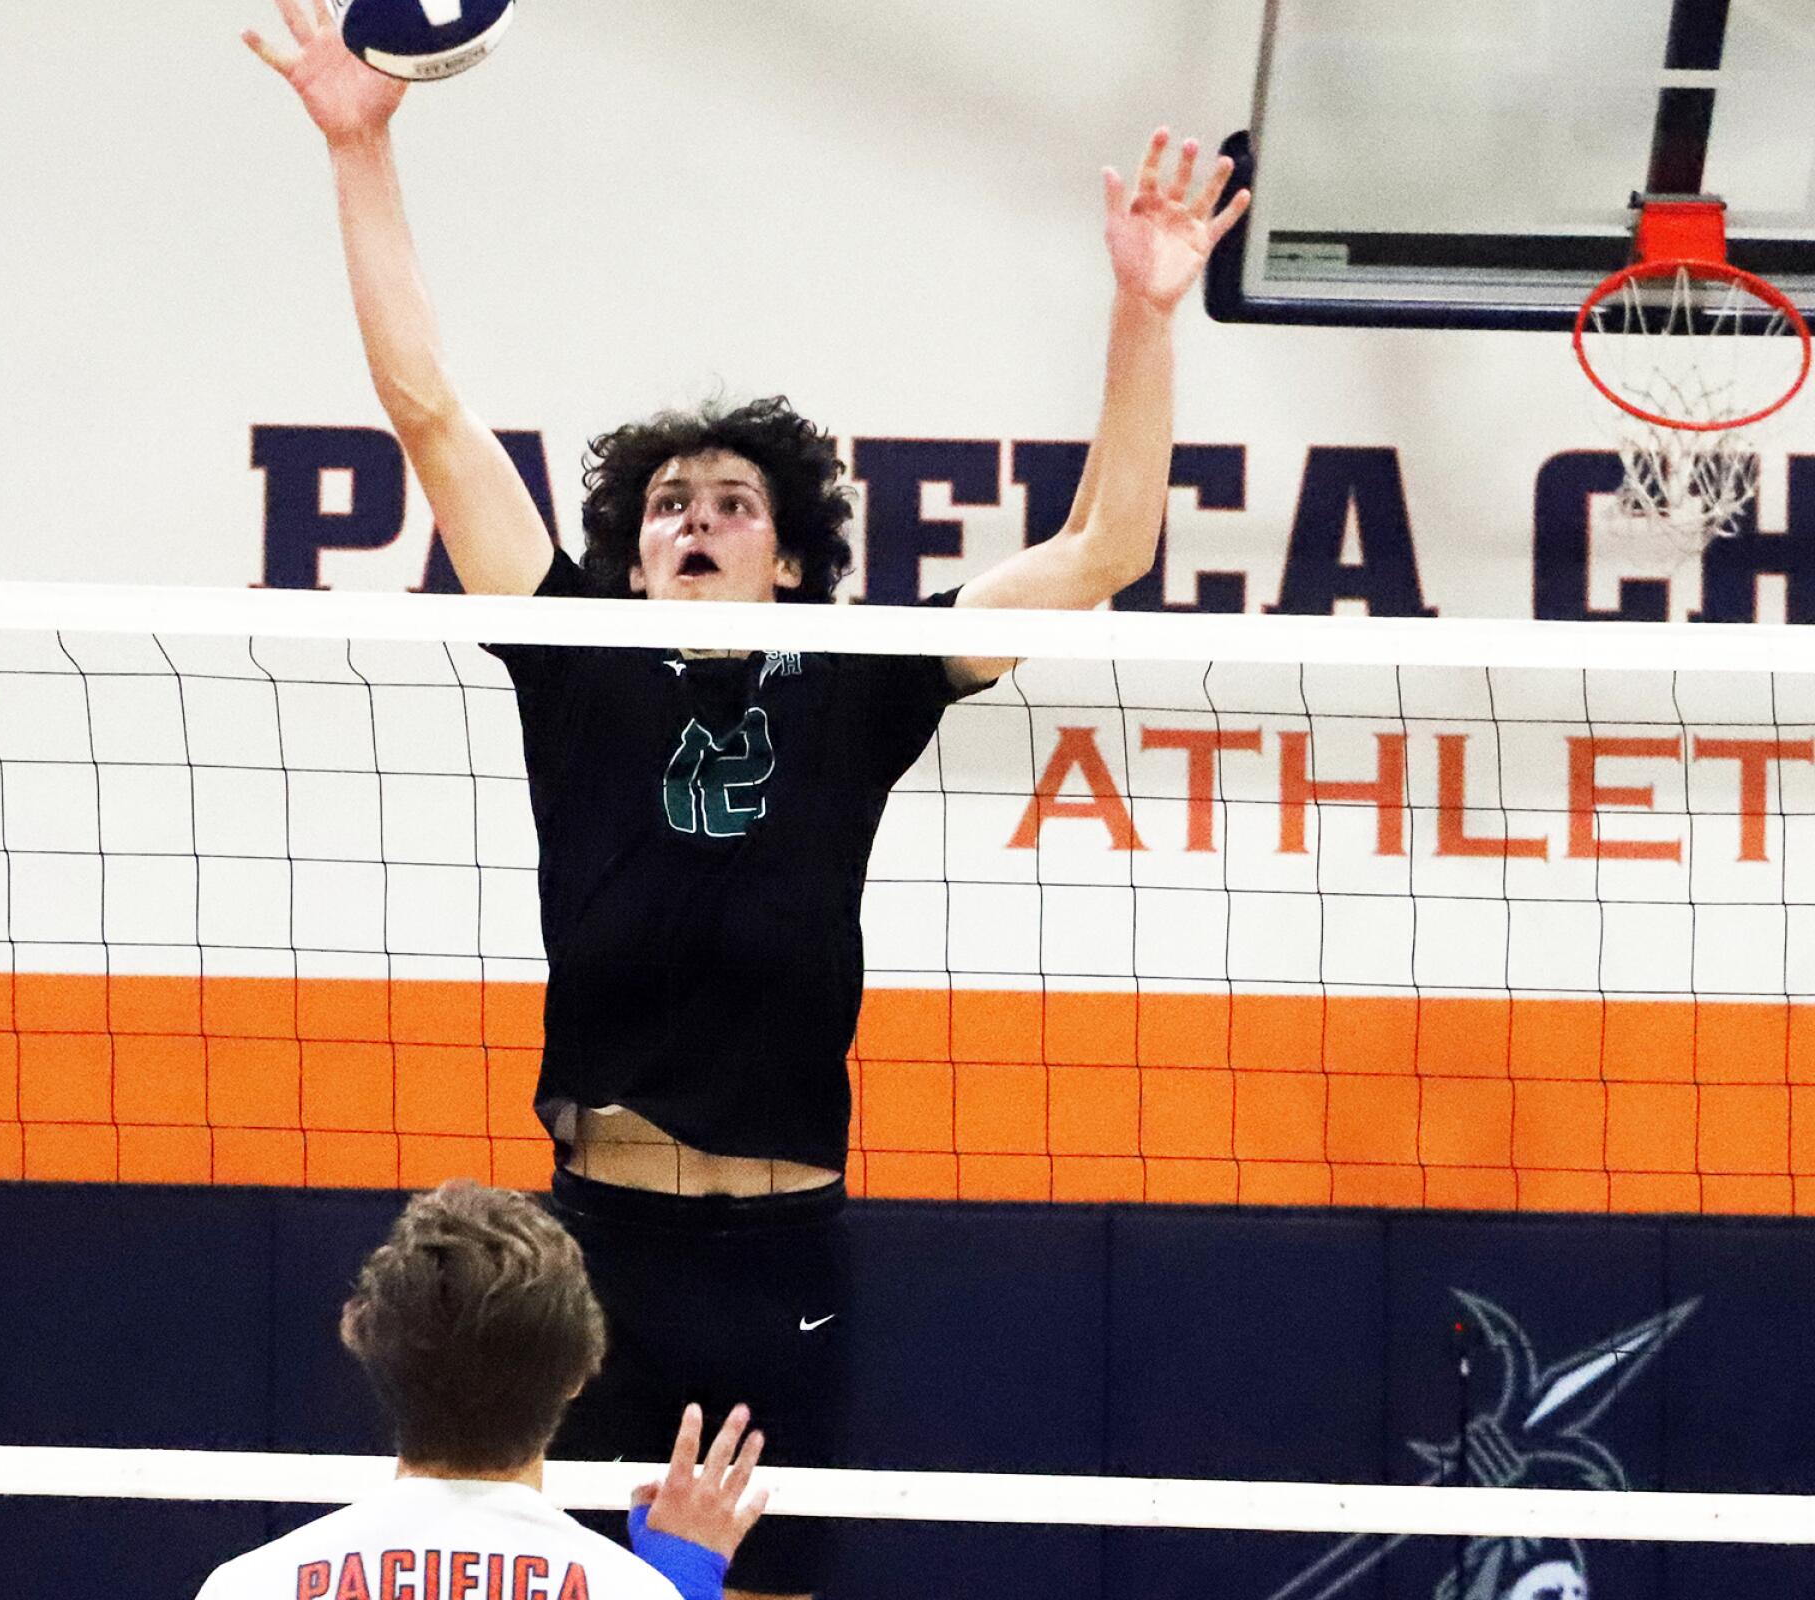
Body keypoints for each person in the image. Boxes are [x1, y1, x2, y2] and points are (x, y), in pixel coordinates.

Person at [245, 5, 1247, 1593]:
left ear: (790, 554)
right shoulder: (573, 655)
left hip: (781, 1253)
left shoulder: (863, 677)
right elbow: (431, 409)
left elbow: (1106, 548)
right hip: (588, 1251)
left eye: (730, 506)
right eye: (665, 508)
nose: (692, 524)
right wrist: (360, 145)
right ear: (631, 553)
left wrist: (1145, 316)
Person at [194, 1181, 767, 1600]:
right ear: (576, 1374)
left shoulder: (246, 1588)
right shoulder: (635, 1592)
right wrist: (686, 1579)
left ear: (374, 1356)